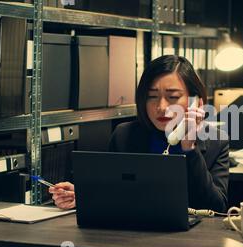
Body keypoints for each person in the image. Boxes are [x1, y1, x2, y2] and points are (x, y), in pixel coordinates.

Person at [49, 55, 229, 212]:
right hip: (132, 238)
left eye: (173, 97)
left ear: (196, 103)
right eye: (152, 96)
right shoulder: (124, 135)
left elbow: (215, 207)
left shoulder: (216, 141)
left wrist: (189, 149)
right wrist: (83, 196)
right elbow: (115, 193)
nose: (161, 107)